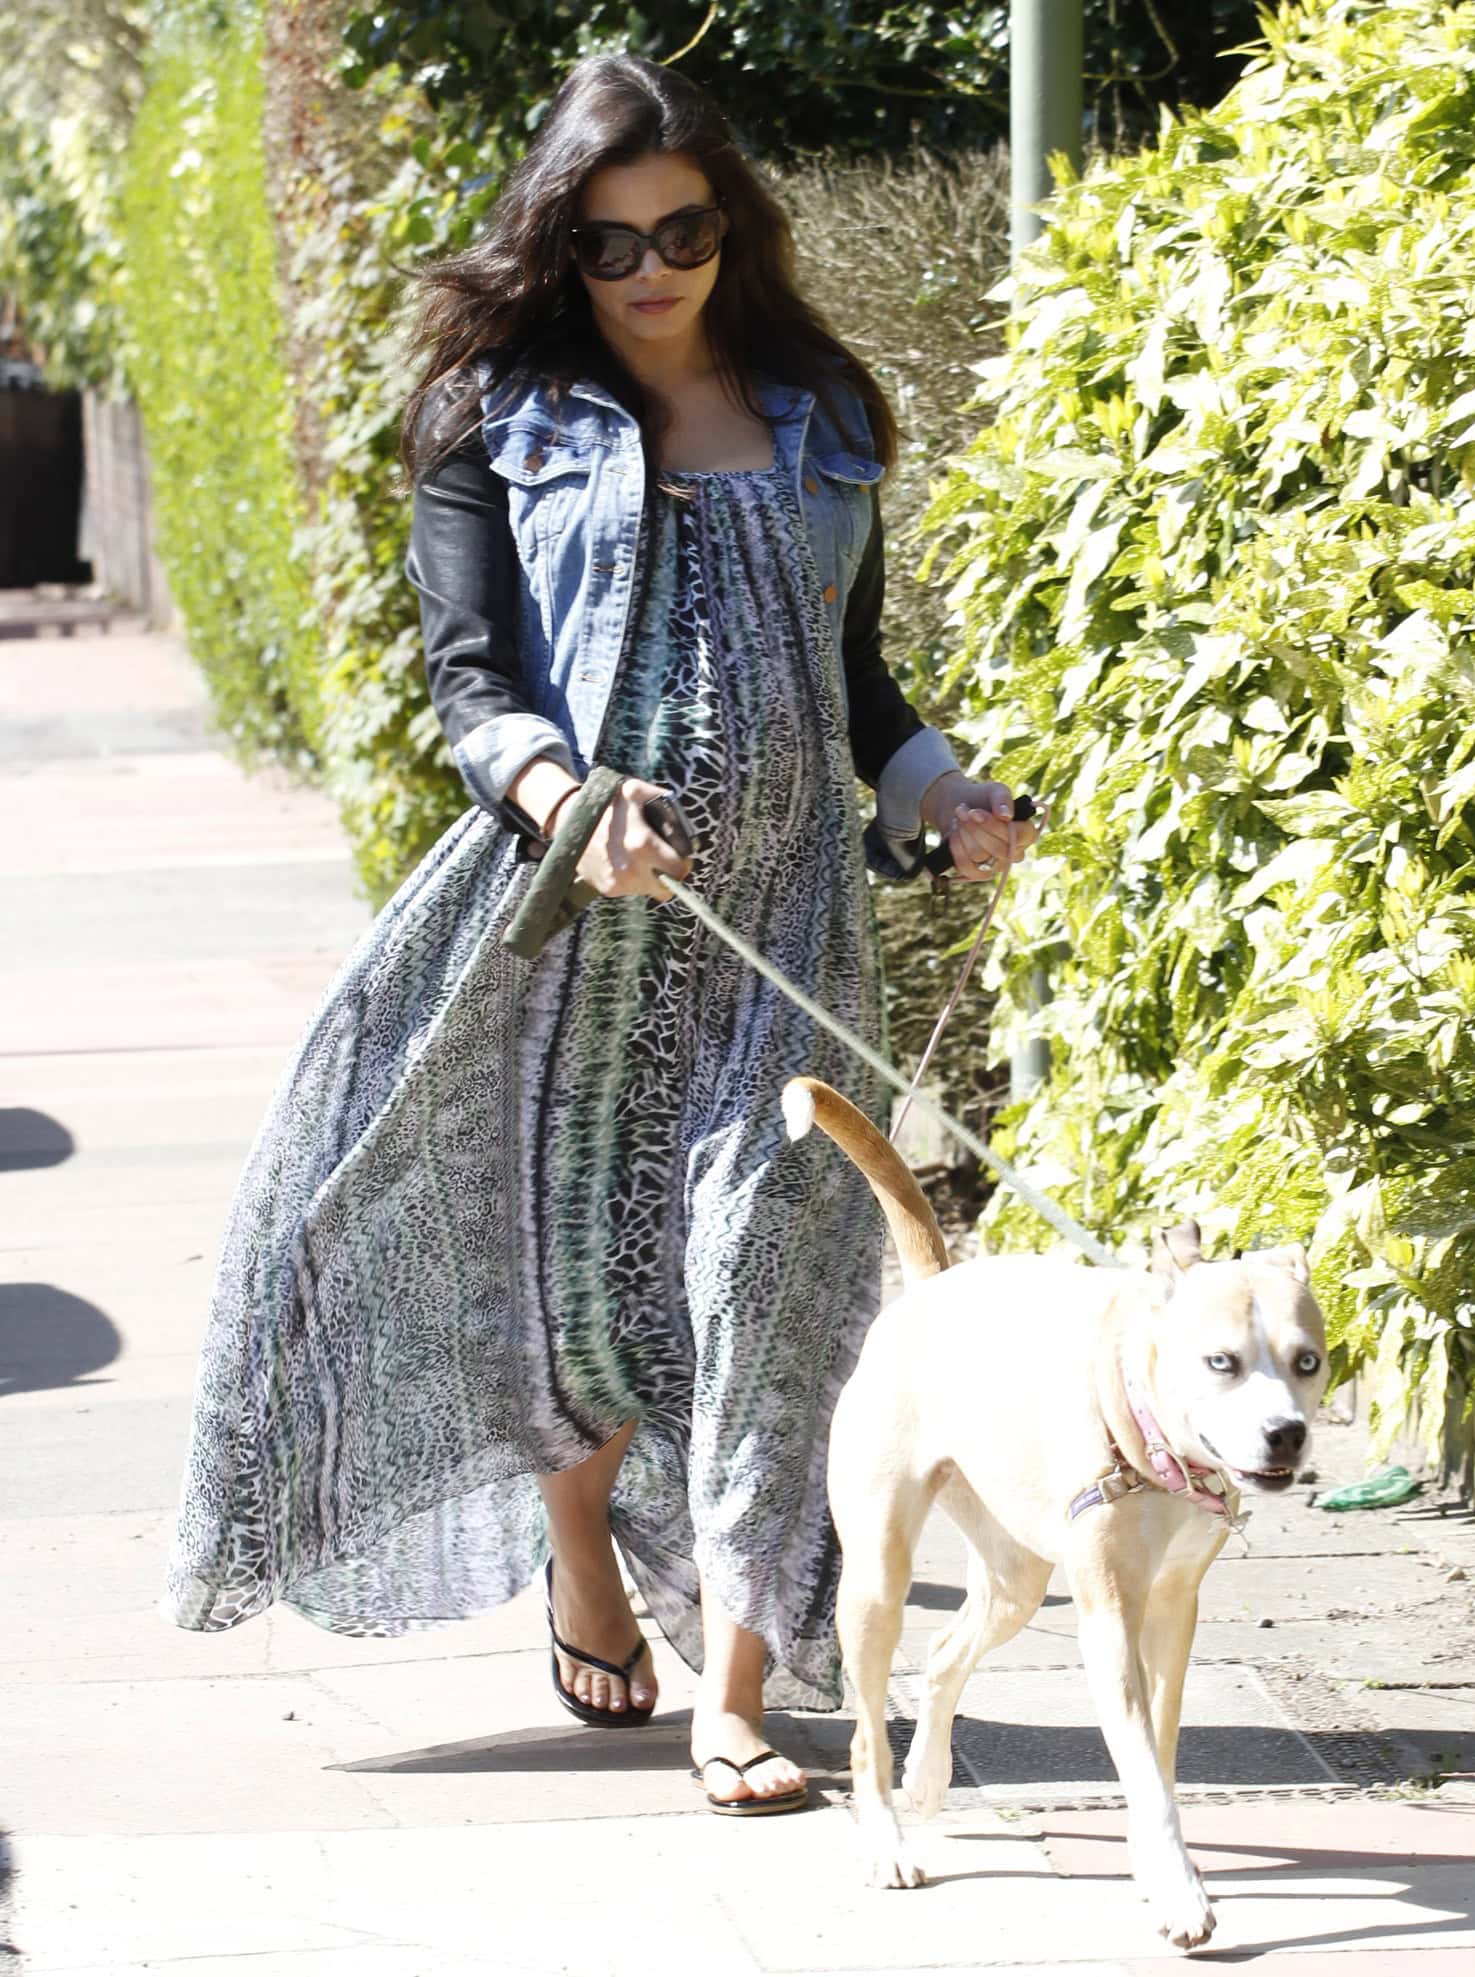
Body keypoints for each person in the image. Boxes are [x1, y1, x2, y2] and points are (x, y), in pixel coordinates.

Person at [163, 53, 1037, 1816]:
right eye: (611, 241)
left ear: (735, 228)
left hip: (786, 920)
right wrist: (574, 798)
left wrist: (943, 795)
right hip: (581, 931)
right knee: (588, 1310)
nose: (652, 269)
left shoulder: (823, 416)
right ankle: (583, 1543)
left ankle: (738, 1687)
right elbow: (474, 684)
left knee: (771, 1291)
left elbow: (856, 683)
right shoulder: (495, 419)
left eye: (686, 232)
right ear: (560, 247)